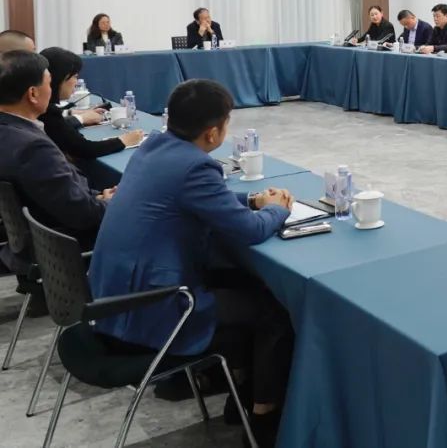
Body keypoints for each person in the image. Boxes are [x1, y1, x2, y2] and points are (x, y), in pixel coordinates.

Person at [88, 79, 295, 446]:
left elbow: (200, 198)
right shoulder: (196, 167)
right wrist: (277, 210)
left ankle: (237, 390)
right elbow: (249, 231)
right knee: (273, 310)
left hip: (112, 295)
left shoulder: (153, 147)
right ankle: (264, 416)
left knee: (241, 283)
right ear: (213, 132)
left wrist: (253, 200)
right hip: (151, 308)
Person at [0, 50, 112, 276]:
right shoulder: (32, 148)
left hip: (36, 236)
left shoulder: (11, 132)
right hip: (61, 246)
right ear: (33, 93)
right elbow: (82, 215)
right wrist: (111, 203)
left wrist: (99, 197)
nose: (51, 91)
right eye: (49, 83)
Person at [39, 47, 143, 158]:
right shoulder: (46, 111)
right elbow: (84, 149)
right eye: (75, 76)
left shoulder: (45, 107)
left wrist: (77, 116)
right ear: (58, 78)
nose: (76, 82)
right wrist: (123, 141)